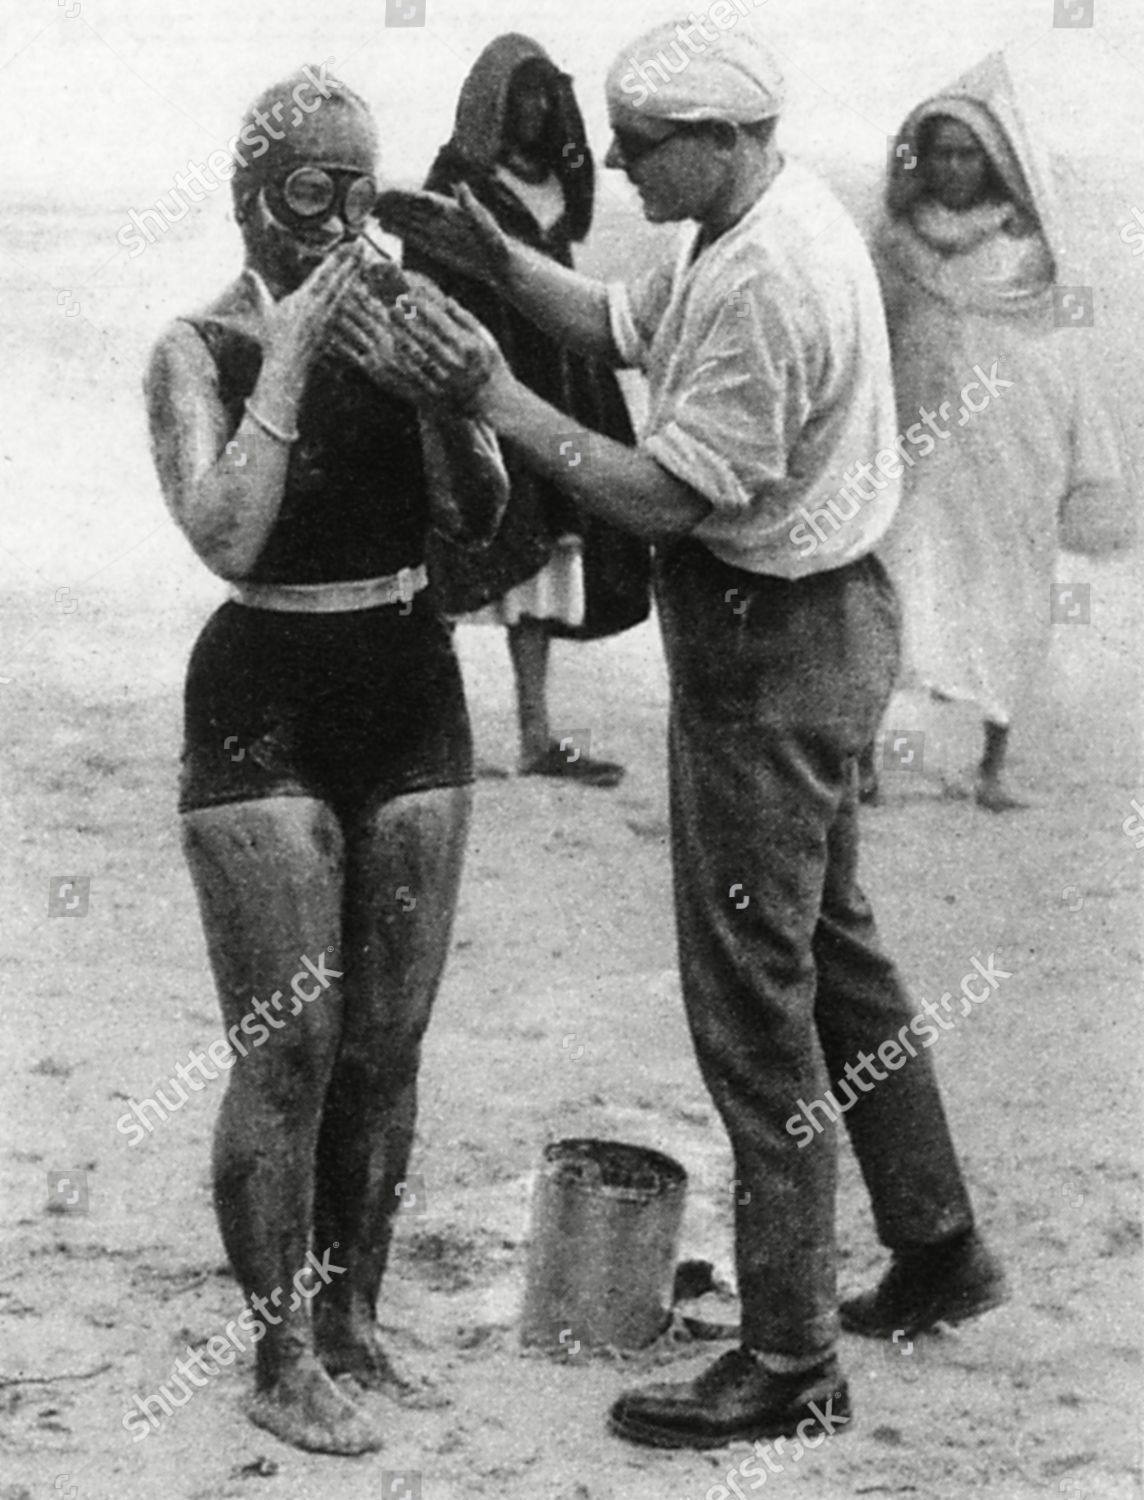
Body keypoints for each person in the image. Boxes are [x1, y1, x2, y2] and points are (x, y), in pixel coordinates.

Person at [378, 20, 1006, 1451]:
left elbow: (661, 497)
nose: (611, 157)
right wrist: (490, 260)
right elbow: (617, 323)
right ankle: (939, 1242)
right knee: (834, 952)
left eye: (637, 139)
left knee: (751, 1003)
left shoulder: (768, 275)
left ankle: (790, 1357)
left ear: (716, 140)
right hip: (827, 625)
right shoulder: (756, 214)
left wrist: (486, 392)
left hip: (769, 654)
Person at [143, 70, 507, 1455]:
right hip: (263, 695)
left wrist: (447, 396)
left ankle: (355, 1318)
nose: (345, 227)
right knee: (285, 1049)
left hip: (410, 676)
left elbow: (475, 523)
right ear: (253, 204)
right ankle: (278, 1351)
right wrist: (292, 352)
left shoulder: (405, 322)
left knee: (387, 1047)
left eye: (363, 196)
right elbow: (227, 534)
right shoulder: (196, 345)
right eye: (312, 199)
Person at [866, 53, 1127, 811]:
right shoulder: (894, 244)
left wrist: (1066, 438)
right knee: (897, 581)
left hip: (1011, 449)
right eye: (940, 153)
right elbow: (874, 337)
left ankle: (994, 763)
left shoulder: (1025, 253)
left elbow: (1052, 349)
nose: (952, 168)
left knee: (1011, 587)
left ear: (994, 158)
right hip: (921, 444)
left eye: (968, 152)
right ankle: (867, 760)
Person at [410, 32, 649, 787]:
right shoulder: (456, 180)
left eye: (548, 94)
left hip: (555, 379)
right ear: (493, 104)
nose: (537, 109)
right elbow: (424, 281)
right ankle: (432, 735)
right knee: (455, 545)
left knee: (550, 544)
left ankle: (535, 734)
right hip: (481, 377)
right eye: (522, 95)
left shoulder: (555, 183)